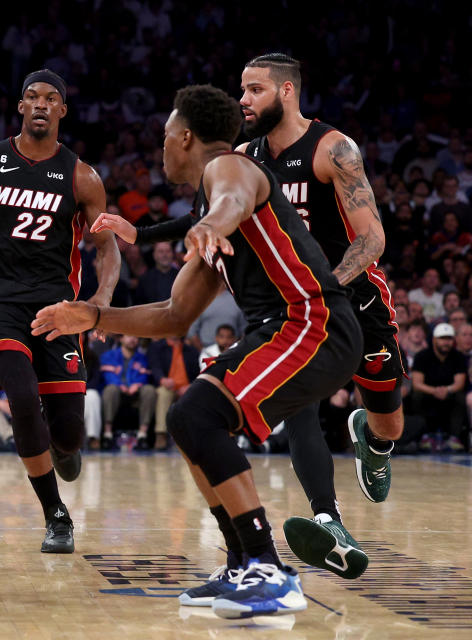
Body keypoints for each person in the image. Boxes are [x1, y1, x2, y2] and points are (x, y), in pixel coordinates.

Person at [32, 85, 363, 619]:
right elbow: (174, 317)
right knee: (190, 420)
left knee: (197, 414)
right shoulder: (213, 203)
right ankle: (239, 561)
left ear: (184, 137)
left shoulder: (229, 170)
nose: (161, 146)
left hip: (313, 323)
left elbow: (231, 200)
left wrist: (210, 226)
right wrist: (93, 315)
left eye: (165, 136)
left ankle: (268, 570)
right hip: (286, 330)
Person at [92, 54, 399, 580]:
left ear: (286, 91)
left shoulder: (331, 147)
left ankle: (373, 443)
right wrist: (139, 238)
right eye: (240, 90)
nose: (244, 100)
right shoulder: (241, 156)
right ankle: (314, 526)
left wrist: (327, 284)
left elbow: (372, 237)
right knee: (247, 411)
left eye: (254, 90)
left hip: (345, 298)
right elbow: (211, 215)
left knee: (387, 417)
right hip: (296, 314)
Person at [0, 69, 120, 553]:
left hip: (58, 309)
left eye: (51, 98)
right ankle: (56, 514)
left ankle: (64, 449)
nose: (40, 105)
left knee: (69, 434)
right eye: (32, 97)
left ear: (62, 111)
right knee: (23, 399)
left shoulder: (82, 176)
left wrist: (100, 304)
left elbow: (107, 249)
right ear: (20, 106)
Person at [412, 323, 467, 451]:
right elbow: (417, 384)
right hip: (428, 394)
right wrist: (435, 391)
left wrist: (446, 390)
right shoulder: (422, 356)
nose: (446, 342)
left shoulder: (458, 357)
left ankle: (454, 437)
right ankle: (424, 436)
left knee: (460, 396)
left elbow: (459, 383)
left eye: (449, 339)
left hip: (449, 394)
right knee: (416, 396)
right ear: (434, 340)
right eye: (442, 339)